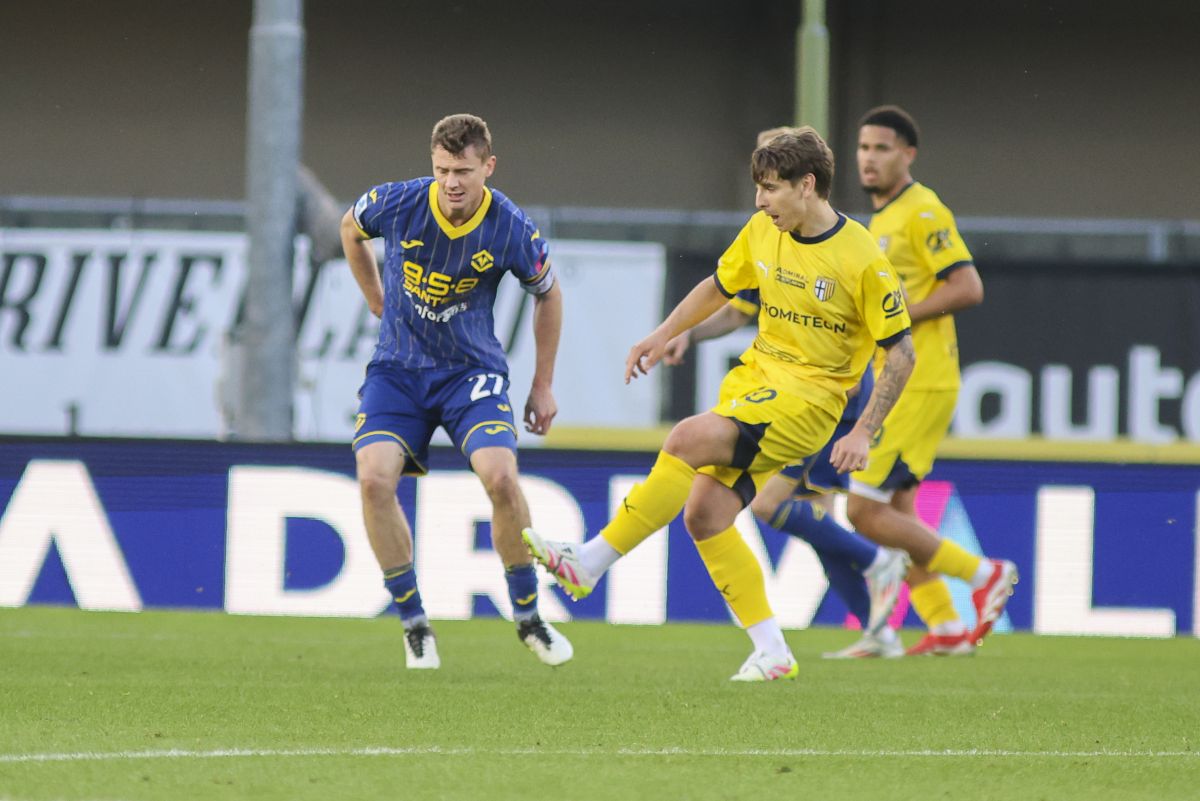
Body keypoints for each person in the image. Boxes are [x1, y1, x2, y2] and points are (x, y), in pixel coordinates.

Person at [524, 127, 916, 681]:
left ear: (807, 185)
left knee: (686, 438)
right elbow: (719, 286)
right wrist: (664, 333)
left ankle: (588, 563)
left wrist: (863, 432)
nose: (760, 200)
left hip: (809, 403)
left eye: (771, 189)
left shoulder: (862, 259)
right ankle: (772, 650)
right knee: (705, 515)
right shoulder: (762, 229)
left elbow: (902, 353)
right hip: (757, 382)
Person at [339, 113, 571, 670]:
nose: (451, 183)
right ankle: (414, 623)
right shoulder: (399, 202)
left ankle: (528, 616)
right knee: (373, 479)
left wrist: (542, 385)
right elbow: (349, 228)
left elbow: (548, 293)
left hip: (470, 373)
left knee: (502, 478)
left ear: (488, 167)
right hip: (398, 370)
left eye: (463, 171)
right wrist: (374, 298)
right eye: (442, 170)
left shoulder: (510, 226)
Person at [841, 105, 1017, 657]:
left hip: (920, 379)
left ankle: (984, 574)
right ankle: (945, 626)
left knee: (861, 511)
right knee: (897, 515)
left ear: (908, 154)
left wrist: (898, 318)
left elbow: (967, 287)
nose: (869, 158)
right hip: (898, 378)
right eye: (863, 147)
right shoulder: (882, 220)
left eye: (882, 148)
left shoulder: (922, 211)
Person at [663, 291, 910, 659]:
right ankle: (879, 632)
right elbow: (737, 312)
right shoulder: (773, 257)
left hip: (824, 399)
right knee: (820, 522)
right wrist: (688, 332)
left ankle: (876, 559)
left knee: (768, 504)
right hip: (794, 394)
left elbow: (892, 309)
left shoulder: (845, 259)